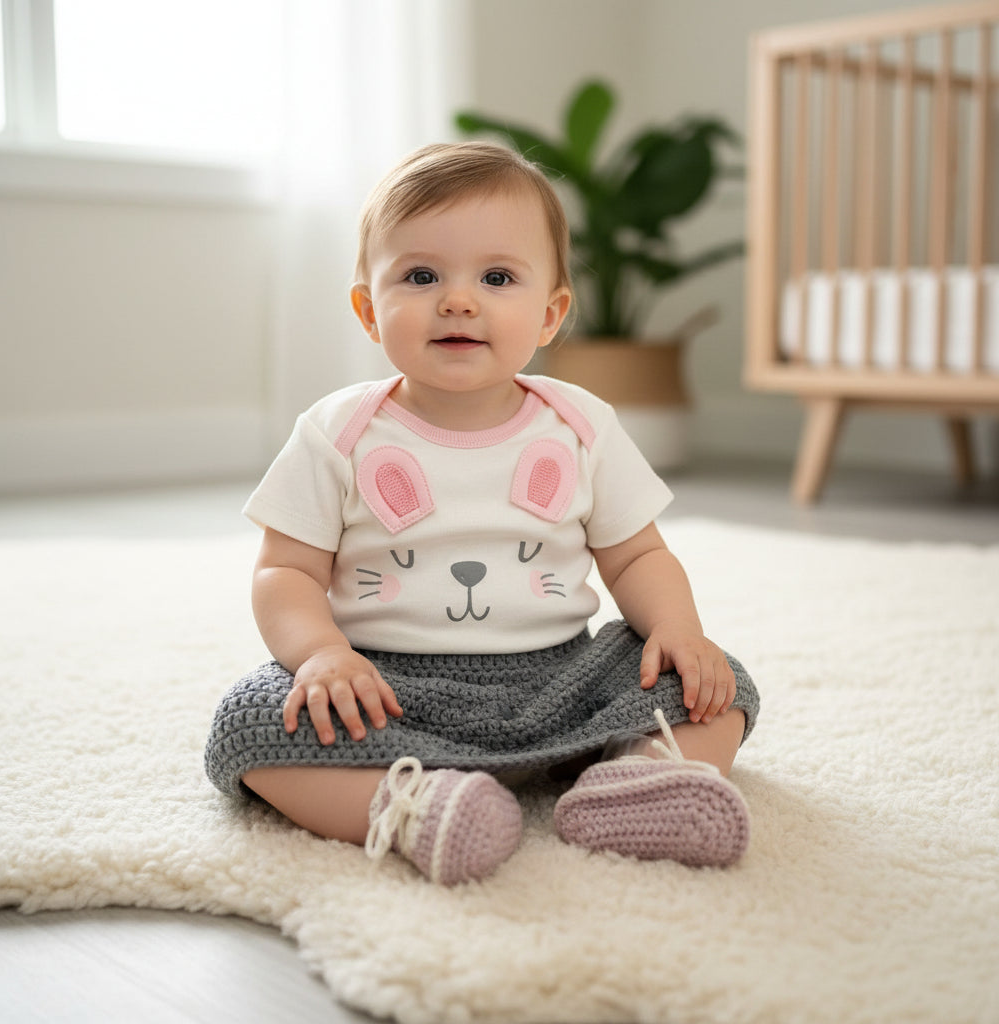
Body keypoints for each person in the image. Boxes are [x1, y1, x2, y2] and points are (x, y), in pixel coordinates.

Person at [205, 141, 759, 885]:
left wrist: (678, 630)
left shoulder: (582, 425)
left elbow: (637, 555)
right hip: (388, 691)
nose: (458, 300)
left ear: (550, 314)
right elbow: (286, 571)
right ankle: (414, 808)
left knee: (716, 683)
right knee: (251, 718)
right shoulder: (337, 433)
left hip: (563, 680)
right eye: (421, 276)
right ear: (369, 311)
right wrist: (321, 656)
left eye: (497, 278)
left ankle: (644, 778)